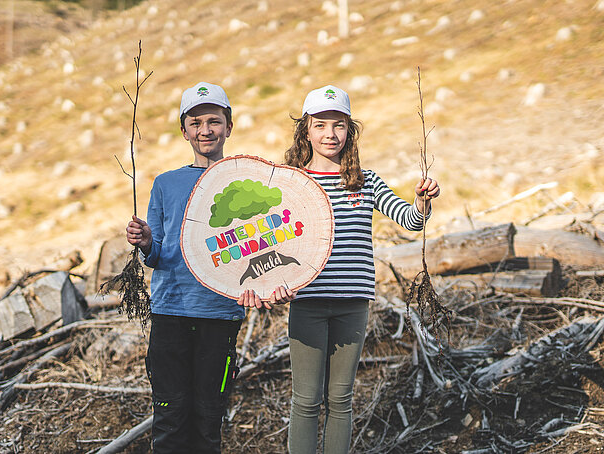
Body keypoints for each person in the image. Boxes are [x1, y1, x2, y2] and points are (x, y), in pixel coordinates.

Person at [125, 82, 292, 453]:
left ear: (228, 127)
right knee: (170, 418)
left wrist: (270, 287)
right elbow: (155, 257)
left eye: (214, 121)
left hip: (220, 316)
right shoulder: (165, 184)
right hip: (170, 314)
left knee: (208, 418)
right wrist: (147, 241)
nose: (205, 130)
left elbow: (262, 245)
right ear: (183, 130)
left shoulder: (245, 178)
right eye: (196, 122)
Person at [281, 85, 440, 454]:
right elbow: (271, 243)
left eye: (338, 125)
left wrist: (421, 201)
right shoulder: (291, 182)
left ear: (349, 130)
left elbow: (411, 220)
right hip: (307, 304)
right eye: (320, 125)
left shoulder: (365, 181)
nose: (330, 135)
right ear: (306, 129)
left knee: (341, 399)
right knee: (305, 400)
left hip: (353, 304)